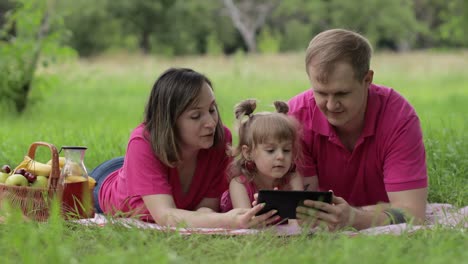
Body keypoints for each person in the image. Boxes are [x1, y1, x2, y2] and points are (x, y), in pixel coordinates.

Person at [90, 68, 278, 228]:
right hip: (105, 182)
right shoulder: (144, 141)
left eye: (212, 109)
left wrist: (225, 218)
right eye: (196, 116)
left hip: (141, 167)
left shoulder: (220, 140)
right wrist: (228, 220)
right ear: (169, 121)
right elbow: (165, 216)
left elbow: (206, 207)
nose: (211, 123)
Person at [288, 29, 428, 230]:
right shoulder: (295, 118)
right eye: (320, 93)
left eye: (342, 93)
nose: (330, 105)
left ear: (367, 79)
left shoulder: (398, 118)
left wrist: (355, 218)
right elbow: (298, 207)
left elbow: (413, 213)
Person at [220, 99, 304, 220]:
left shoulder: (292, 178)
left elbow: (297, 220)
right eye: (270, 150)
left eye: (286, 150)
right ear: (248, 153)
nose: (281, 156)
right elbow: (247, 224)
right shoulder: (240, 185)